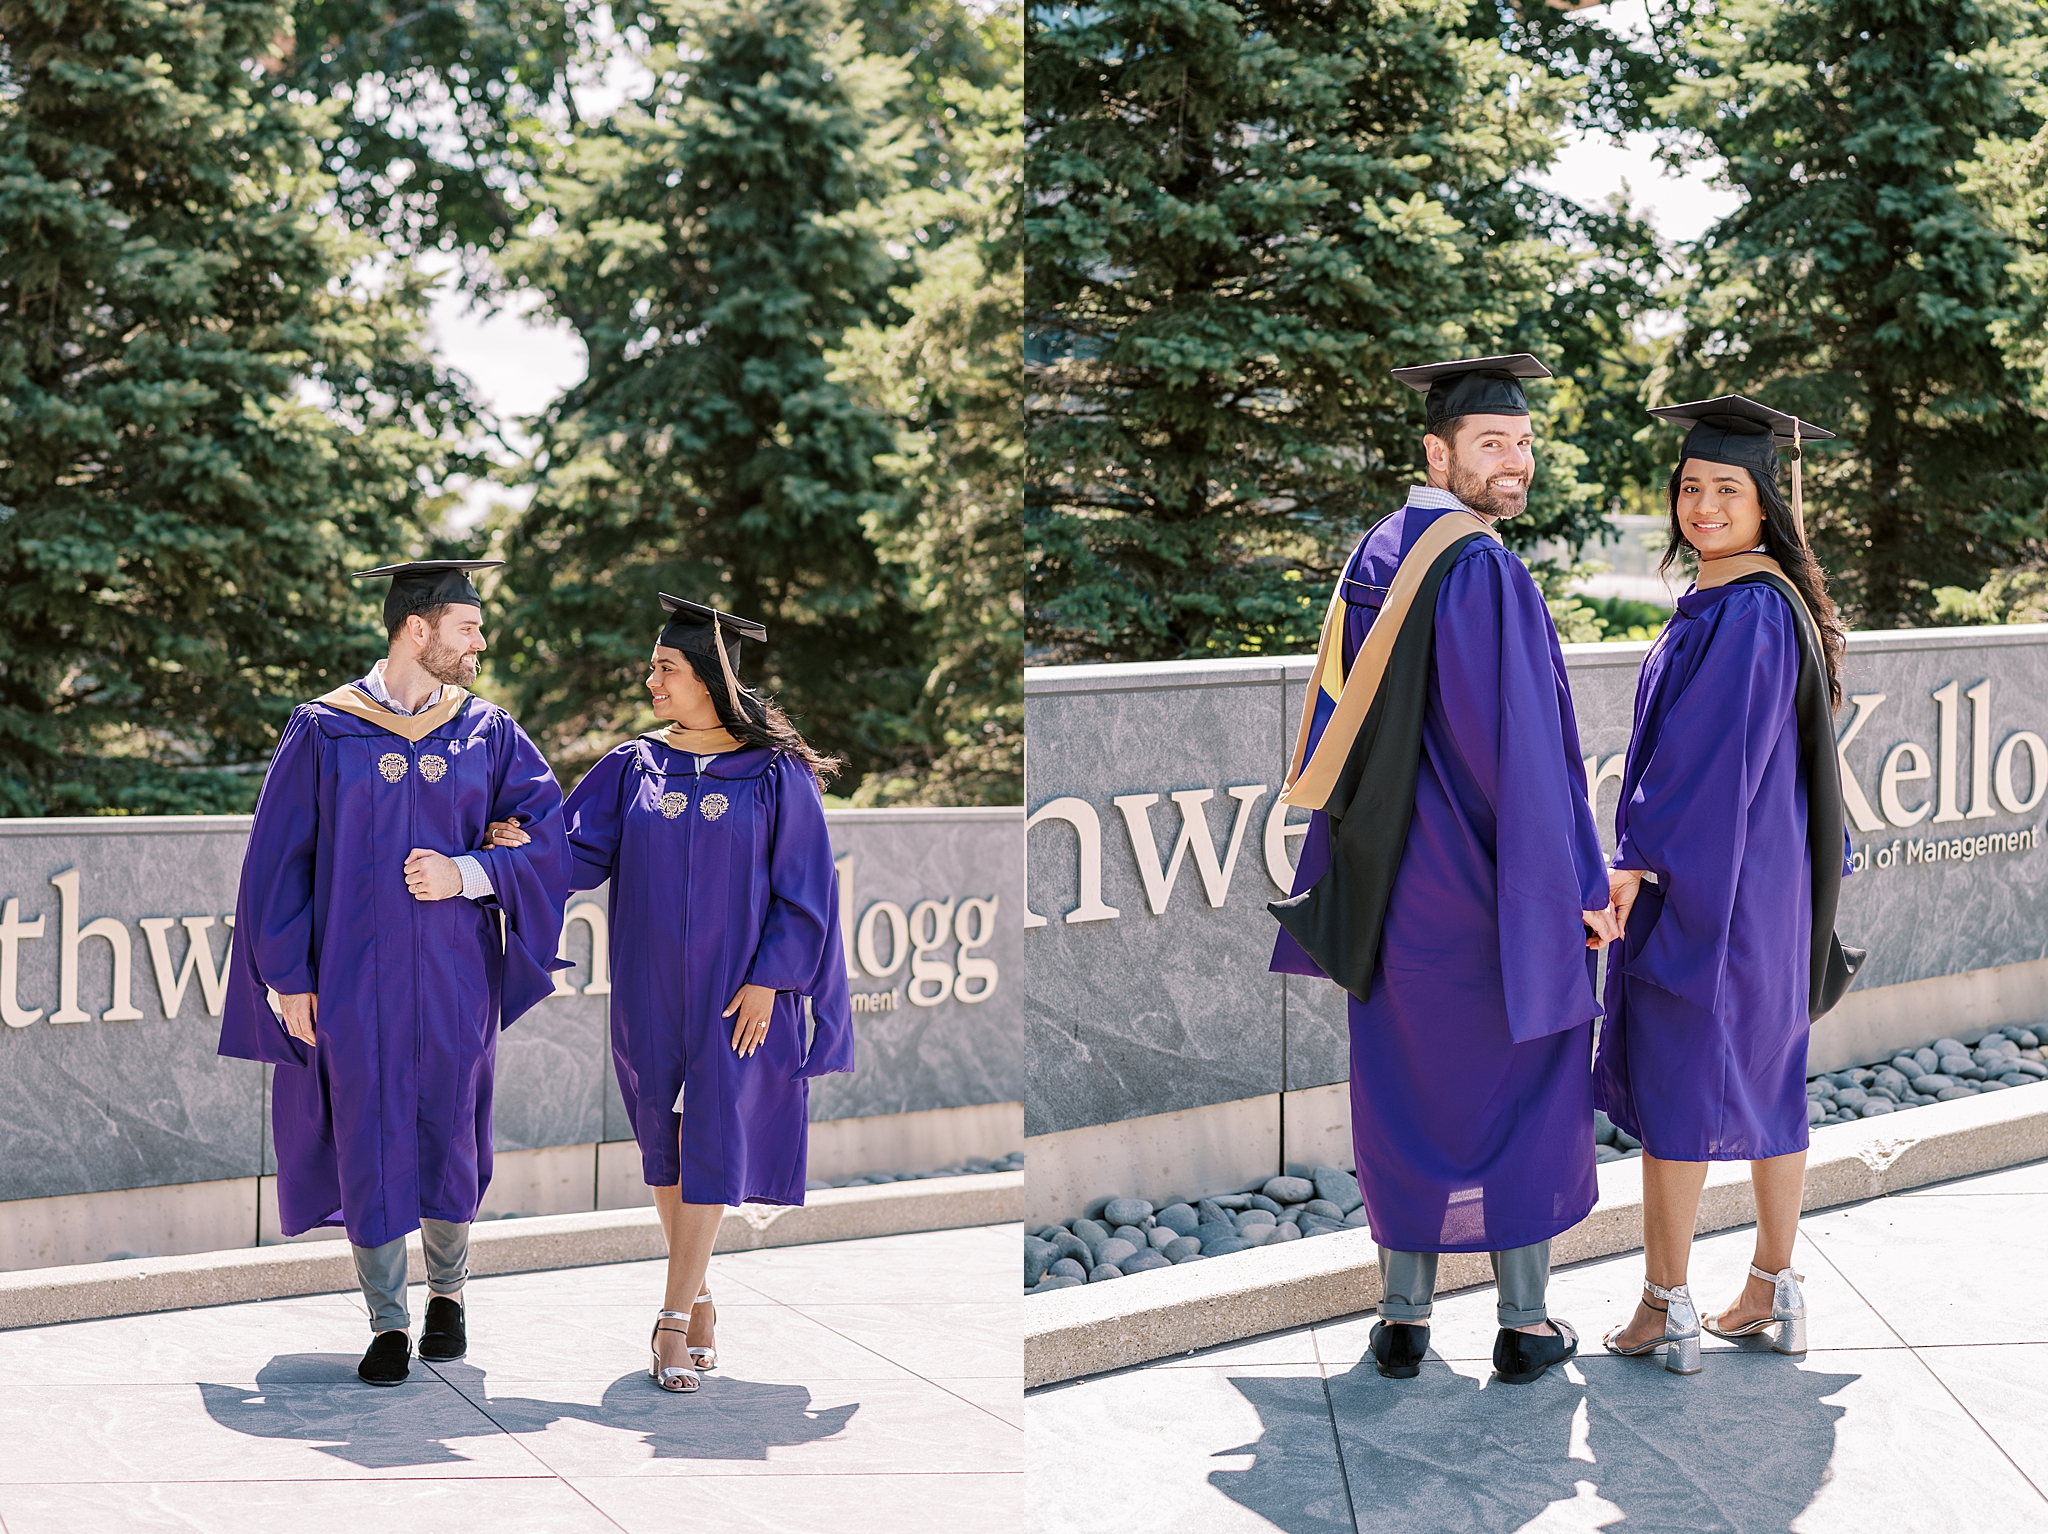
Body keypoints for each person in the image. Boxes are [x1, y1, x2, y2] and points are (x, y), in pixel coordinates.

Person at [1270, 354, 1618, 1387]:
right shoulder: (1480, 568)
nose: (1513, 463)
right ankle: (1521, 1325)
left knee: (1404, 1091)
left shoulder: (1379, 551)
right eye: (1490, 445)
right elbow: (1514, 752)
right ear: (1437, 452)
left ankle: (1401, 1322)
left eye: (1521, 444)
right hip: (1481, 894)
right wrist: (1578, 889)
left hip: (1388, 895)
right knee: (1526, 1077)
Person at [488, 594, 854, 1395]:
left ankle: (671, 1319)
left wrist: (770, 979)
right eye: (652, 666)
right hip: (647, 989)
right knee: (663, 1142)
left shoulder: (775, 774)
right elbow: (575, 858)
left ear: (711, 680)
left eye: (666, 668)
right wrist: (518, 848)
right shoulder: (631, 767)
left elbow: (806, 890)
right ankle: (702, 1291)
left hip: (735, 996)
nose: (650, 679)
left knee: (712, 1140)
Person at [219, 560, 569, 1387]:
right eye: (468, 628)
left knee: (451, 1130)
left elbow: (546, 838)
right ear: (419, 629)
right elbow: (278, 864)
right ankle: (386, 1320)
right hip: (352, 977)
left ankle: (447, 1295)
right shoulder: (325, 727)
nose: (481, 643)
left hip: (456, 979)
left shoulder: (486, 731)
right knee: (368, 1133)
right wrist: (287, 979)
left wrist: (470, 870)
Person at [1595, 396, 1856, 1373]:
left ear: (1763, 507)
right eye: (1689, 487)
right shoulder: (1758, 599)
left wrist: (1635, 865)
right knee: (1762, 1079)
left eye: (1724, 490)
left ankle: (1666, 1304)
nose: (1700, 505)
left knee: (1676, 1084)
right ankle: (1773, 1287)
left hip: (1713, 894)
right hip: (1764, 891)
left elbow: (1704, 768)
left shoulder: (1744, 610)